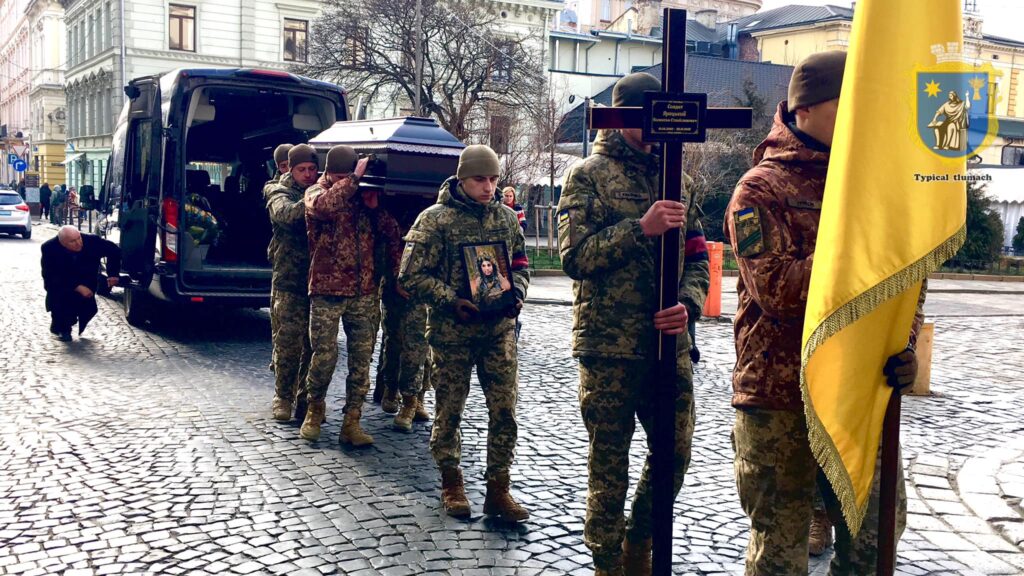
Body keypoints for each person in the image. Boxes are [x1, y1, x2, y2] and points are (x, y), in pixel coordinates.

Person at [724, 50, 922, 575]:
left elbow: (905, 277)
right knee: (780, 555)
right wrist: (859, 246)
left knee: (873, 546)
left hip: (862, 396)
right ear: (803, 109)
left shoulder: (873, 187)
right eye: (846, 105)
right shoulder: (759, 189)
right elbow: (779, 291)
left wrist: (904, 343)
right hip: (779, 399)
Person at [557, 72, 710, 576]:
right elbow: (574, 257)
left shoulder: (678, 178)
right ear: (621, 119)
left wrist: (687, 303)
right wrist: (638, 229)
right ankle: (607, 563)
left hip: (668, 343)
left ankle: (638, 544)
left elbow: (698, 257)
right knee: (609, 465)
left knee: (676, 454)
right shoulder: (588, 175)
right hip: (609, 345)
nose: (651, 131)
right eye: (642, 120)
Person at [399, 144, 531, 522]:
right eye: (479, 179)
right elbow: (410, 275)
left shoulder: (506, 219)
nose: (488, 187)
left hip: (499, 331)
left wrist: (517, 293)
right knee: (449, 410)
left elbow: (521, 264)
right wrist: (450, 299)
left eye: (493, 179)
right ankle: (451, 482)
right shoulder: (434, 220)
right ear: (462, 179)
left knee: (504, 411)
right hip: (452, 332)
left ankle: (498, 489)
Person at [301, 145, 402, 446]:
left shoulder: (362, 196)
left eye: (351, 175)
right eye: (342, 175)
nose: (348, 180)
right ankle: (314, 409)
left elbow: (392, 232)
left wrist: (375, 209)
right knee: (324, 356)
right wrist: (353, 180)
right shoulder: (315, 193)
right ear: (329, 173)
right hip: (327, 290)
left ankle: (352, 421)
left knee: (361, 359)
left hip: (363, 291)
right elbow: (324, 208)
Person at [266, 144, 318, 423]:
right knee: (288, 343)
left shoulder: (320, 188)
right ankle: (282, 396)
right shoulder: (277, 190)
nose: (308, 175)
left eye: (312, 169)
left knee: (314, 346)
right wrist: (319, 198)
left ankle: (305, 400)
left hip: (318, 281)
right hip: (288, 279)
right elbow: (287, 215)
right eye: (301, 170)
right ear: (290, 168)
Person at [40, 226, 120, 341]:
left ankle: (64, 322)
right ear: (62, 243)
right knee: (62, 303)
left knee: (86, 309)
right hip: (62, 284)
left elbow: (114, 251)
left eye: (79, 238)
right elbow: (50, 276)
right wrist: (76, 286)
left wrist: (113, 274)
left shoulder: (91, 241)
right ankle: (63, 328)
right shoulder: (50, 248)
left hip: (87, 281)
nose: (78, 243)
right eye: (72, 241)